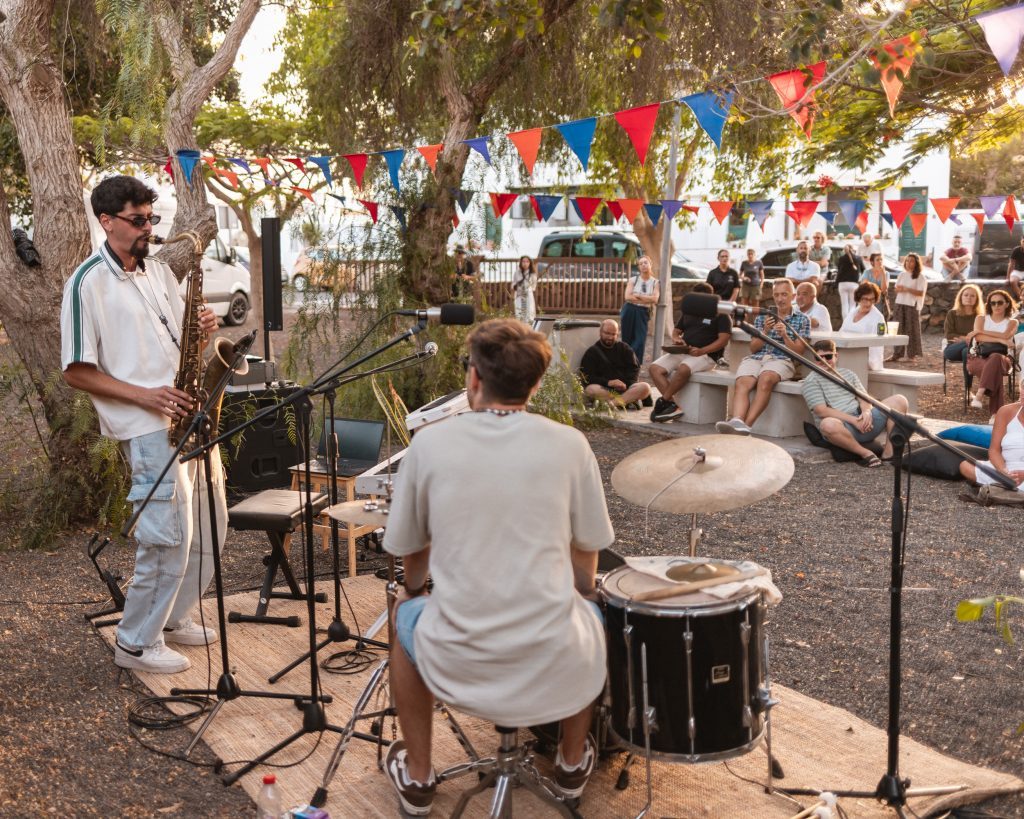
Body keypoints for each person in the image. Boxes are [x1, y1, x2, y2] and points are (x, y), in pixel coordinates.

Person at [383, 318, 612, 815]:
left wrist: (413, 589)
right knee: (592, 615)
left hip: (458, 656)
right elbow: (587, 549)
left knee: (404, 618)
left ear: (473, 379)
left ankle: (419, 776)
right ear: (534, 382)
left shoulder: (430, 445)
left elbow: (412, 550)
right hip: (555, 656)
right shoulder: (570, 445)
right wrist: (582, 593)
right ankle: (572, 763)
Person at [60, 175, 224, 674]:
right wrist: (146, 395)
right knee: (167, 534)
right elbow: (75, 370)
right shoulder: (86, 282)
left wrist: (201, 331)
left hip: (188, 412)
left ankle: (170, 620)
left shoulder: (156, 271)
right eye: (138, 220)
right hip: (147, 425)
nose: (148, 228)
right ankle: (134, 642)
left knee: (213, 526)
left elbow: (177, 340)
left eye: (152, 218)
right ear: (106, 221)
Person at [716, 278, 810, 435]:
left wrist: (785, 336)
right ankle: (737, 420)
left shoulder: (802, 319)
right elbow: (753, 348)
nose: (780, 299)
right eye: (776, 295)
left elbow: (799, 352)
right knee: (742, 382)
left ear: (793, 296)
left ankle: (746, 425)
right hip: (758, 358)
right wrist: (765, 331)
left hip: (782, 359)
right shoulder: (762, 317)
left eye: (784, 295)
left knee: (765, 379)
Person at [801, 339, 909, 468]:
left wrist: (866, 412)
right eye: (819, 358)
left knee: (899, 400)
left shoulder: (848, 374)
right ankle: (865, 453)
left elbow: (864, 398)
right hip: (842, 427)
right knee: (827, 424)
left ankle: (889, 453)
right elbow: (821, 411)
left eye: (828, 356)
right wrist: (853, 421)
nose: (824, 360)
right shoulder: (811, 381)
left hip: (862, 420)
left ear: (836, 356)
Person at [648, 282, 731, 422]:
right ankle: (672, 405)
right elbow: (676, 331)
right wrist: (677, 339)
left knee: (683, 369)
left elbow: (723, 340)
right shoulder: (690, 310)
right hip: (684, 351)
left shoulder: (721, 314)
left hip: (706, 356)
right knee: (654, 368)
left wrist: (701, 351)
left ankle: (663, 401)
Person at [578, 319, 652, 410]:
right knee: (590, 390)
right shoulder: (592, 352)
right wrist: (608, 382)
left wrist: (625, 384)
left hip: (626, 389)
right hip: (606, 390)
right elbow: (587, 377)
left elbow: (634, 370)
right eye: (607, 333)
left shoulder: (625, 348)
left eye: (613, 334)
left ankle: (611, 404)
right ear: (600, 332)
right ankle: (627, 401)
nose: (610, 337)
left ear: (617, 334)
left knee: (645, 387)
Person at [966, 289, 1019, 416]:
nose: (996, 306)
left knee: (995, 358)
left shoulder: (1012, 322)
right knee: (995, 370)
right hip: (978, 358)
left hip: (1004, 360)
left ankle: (979, 394)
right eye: (992, 303)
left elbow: (1006, 334)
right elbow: (978, 338)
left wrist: (980, 332)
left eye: (999, 302)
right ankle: (995, 414)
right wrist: (1001, 340)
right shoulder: (981, 318)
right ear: (989, 304)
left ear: (1007, 304)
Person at [959, 400, 1024, 492]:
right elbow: (994, 450)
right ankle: (1007, 489)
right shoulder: (1005, 411)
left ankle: (1001, 490)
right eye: (1022, 386)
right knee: (965, 466)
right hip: (1007, 470)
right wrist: (1004, 472)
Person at [619, 254, 659, 363]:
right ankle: (627, 363)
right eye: (641, 264)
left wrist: (638, 296)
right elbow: (627, 297)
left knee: (640, 338)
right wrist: (647, 298)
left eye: (645, 263)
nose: (643, 265)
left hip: (643, 311)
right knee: (626, 338)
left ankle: (633, 361)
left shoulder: (655, 282)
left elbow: (655, 299)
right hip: (629, 309)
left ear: (650, 264)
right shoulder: (633, 280)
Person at [839, 281, 887, 372]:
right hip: (846, 356)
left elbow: (878, 345)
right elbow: (841, 333)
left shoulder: (878, 318)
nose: (868, 303)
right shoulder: (852, 313)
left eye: (872, 299)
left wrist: (870, 364)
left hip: (865, 362)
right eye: (865, 299)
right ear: (859, 298)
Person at [889, 252, 927, 362]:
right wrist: (900, 289)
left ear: (916, 263)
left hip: (912, 305)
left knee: (912, 330)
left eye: (911, 261)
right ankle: (897, 354)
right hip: (900, 303)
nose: (909, 263)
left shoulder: (920, 277)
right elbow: (897, 289)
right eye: (907, 260)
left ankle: (912, 355)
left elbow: (920, 293)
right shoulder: (901, 275)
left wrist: (906, 289)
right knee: (898, 330)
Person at [944, 283, 984, 370]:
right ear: (961, 297)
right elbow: (949, 335)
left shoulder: (980, 317)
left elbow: (981, 335)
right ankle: (969, 344)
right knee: (969, 346)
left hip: (972, 350)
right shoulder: (952, 313)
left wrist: (963, 339)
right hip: (953, 348)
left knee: (966, 351)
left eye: (972, 296)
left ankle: (967, 384)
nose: (969, 298)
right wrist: (967, 339)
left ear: (977, 299)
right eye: (966, 295)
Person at [835, 243, 865, 319]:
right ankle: (851, 322)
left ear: (844, 251)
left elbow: (839, 271)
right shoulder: (858, 258)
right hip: (854, 284)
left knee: (844, 305)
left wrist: (835, 284)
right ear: (853, 249)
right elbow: (863, 270)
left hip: (842, 284)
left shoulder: (841, 258)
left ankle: (845, 323)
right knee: (853, 305)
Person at [860, 252, 889, 318]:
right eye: (878, 260)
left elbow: (884, 290)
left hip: (879, 304)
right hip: (867, 302)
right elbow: (863, 287)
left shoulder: (886, 274)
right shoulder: (867, 272)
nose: (880, 261)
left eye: (881, 259)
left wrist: (883, 274)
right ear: (872, 262)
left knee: (878, 325)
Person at [512, 254, 537, 325]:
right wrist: (517, 286)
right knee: (519, 311)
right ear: (521, 263)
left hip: (528, 295)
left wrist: (527, 288)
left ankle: (529, 327)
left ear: (530, 263)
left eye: (527, 261)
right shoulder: (517, 272)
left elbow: (533, 286)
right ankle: (520, 327)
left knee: (529, 312)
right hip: (519, 295)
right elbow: (513, 284)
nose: (525, 263)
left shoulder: (532, 274)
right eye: (523, 261)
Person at [1006, 235, 1024, 301]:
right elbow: (1011, 264)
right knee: (1012, 281)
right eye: (1023, 241)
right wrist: (1007, 278)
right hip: (1018, 271)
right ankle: (1022, 299)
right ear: (1021, 242)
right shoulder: (1016, 250)